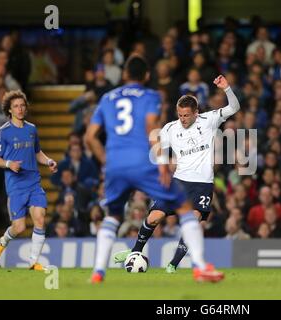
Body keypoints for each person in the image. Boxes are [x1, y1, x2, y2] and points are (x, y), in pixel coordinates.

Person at [85, 56, 224, 283]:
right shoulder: (150, 96)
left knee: (112, 216)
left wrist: (105, 162)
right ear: (147, 76)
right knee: (185, 210)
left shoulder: (107, 98)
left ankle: (98, 272)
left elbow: (90, 137)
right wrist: (162, 163)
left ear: (124, 75)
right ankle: (200, 267)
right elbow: (151, 129)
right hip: (140, 162)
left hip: (116, 164)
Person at [113, 74, 240, 273]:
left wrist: (227, 89)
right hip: (178, 182)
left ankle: (172, 265)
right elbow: (154, 147)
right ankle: (135, 251)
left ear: (196, 113)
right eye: (180, 115)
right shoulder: (171, 128)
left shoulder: (209, 120)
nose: (182, 119)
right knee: (153, 217)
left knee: (192, 222)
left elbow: (234, 108)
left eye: (186, 115)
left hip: (201, 184)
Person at [0, 90, 58, 270]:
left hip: (33, 182)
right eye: (16, 106)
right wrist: (9, 163)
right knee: (19, 227)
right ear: (10, 110)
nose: (20, 109)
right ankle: (3, 240)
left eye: (22, 106)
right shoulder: (2, 132)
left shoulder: (31, 129)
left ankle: (33, 261)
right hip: (16, 186)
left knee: (40, 218)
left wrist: (49, 160)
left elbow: (37, 152)